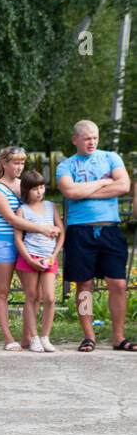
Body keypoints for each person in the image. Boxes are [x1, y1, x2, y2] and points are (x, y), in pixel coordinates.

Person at [56, 119, 133, 352]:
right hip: (80, 231)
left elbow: (124, 186)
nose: (92, 142)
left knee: (118, 284)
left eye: (95, 138)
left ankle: (118, 337)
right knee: (84, 285)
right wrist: (102, 183)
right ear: (75, 140)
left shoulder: (111, 157)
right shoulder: (66, 165)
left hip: (110, 229)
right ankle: (88, 336)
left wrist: (85, 191)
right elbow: (69, 190)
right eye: (87, 138)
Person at [0, 146, 57, 350]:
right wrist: (42, 229)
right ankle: (8, 338)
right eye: (15, 162)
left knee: (34, 293)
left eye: (22, 163)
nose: (19, 167)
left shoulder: (23, 185)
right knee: (3, 291)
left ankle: (29, 337)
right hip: (3, 243)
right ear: (4, 163)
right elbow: (11, 218)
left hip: (27, 244)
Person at [13, 171, 64, 352]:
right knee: (32, 297)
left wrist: (54, 255)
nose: (39, 192)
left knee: (50, 298)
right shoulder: (22, 210)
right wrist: (29, 259)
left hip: (49, 258)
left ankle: (45, 337)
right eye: (35, 189)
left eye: (41, 187)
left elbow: (61, 232)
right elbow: (18, 238)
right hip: (30, 258)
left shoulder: (51, 206)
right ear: (27, 190)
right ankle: (33, 337)